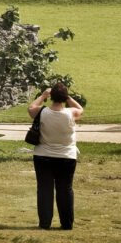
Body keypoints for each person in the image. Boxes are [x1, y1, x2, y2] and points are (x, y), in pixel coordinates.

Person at [28, 83, 83, 230]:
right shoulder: (71, 113)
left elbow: (30, 108)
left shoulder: (42, 112)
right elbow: (80, 109)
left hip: (43, 155)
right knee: (65, 189)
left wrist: (43, 96)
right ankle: (66, 223)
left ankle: (45, 223)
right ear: (64, 98)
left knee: (45, 190)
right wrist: (68, 97)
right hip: (66, 156)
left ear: (52, 97)